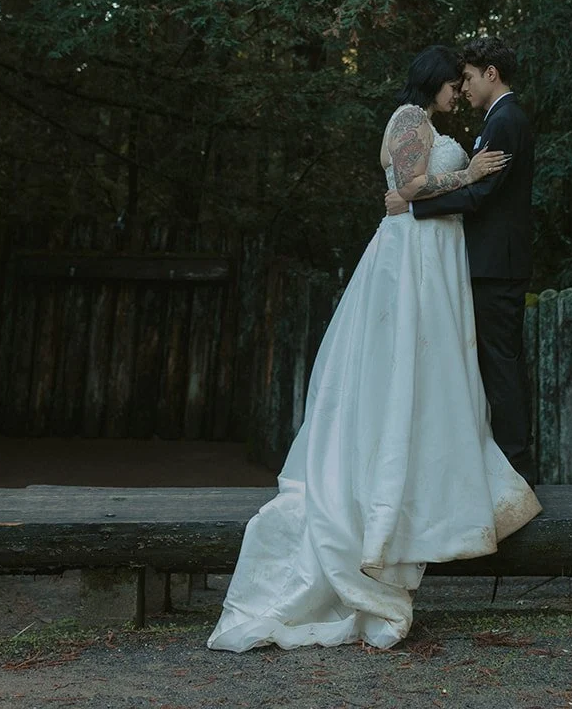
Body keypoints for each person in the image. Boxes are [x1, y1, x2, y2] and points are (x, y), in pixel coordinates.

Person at [207, 44, 541, 653]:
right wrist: (460, 177)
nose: (458, 93)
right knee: (405, 362)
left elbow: (416, 191)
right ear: (436, 82)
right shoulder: (409, 119)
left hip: (437, 253)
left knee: (443, 366)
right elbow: (410, 185)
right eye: (453, 84)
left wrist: (425, 196)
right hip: (413, 253)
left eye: (464, 82)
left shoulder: (468, 122)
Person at [386, 36, 535, 483]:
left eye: (468, 78)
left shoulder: (505, 119)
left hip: (495, 265)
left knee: (500, 365)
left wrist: (412, 206)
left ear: (492, 74)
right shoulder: (496, 118)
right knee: (490, 363)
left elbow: (482, 194)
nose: (463, 87)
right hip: (484, 262)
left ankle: (515, 470)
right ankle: (501, 468)